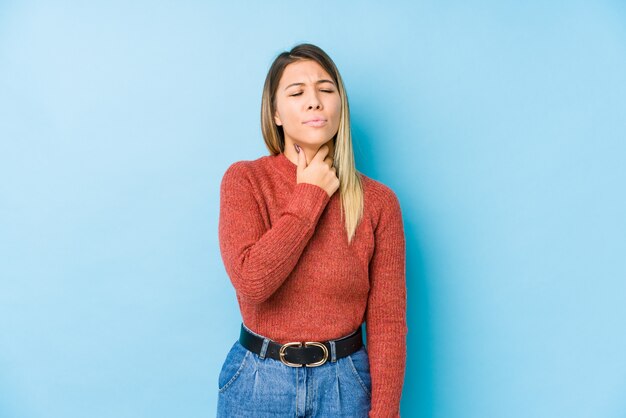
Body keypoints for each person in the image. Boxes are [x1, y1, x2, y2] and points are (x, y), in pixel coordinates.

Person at [216, 43, 407, 417]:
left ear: (340, 105)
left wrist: (385, 413)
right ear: (276, 113)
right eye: (297, 92)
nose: (315, 101)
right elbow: (253, 282)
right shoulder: (245, 180)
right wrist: (311, 193)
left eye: (326, 89)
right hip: (257, 383)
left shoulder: (379, 202)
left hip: (345, 386)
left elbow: (387, 323)